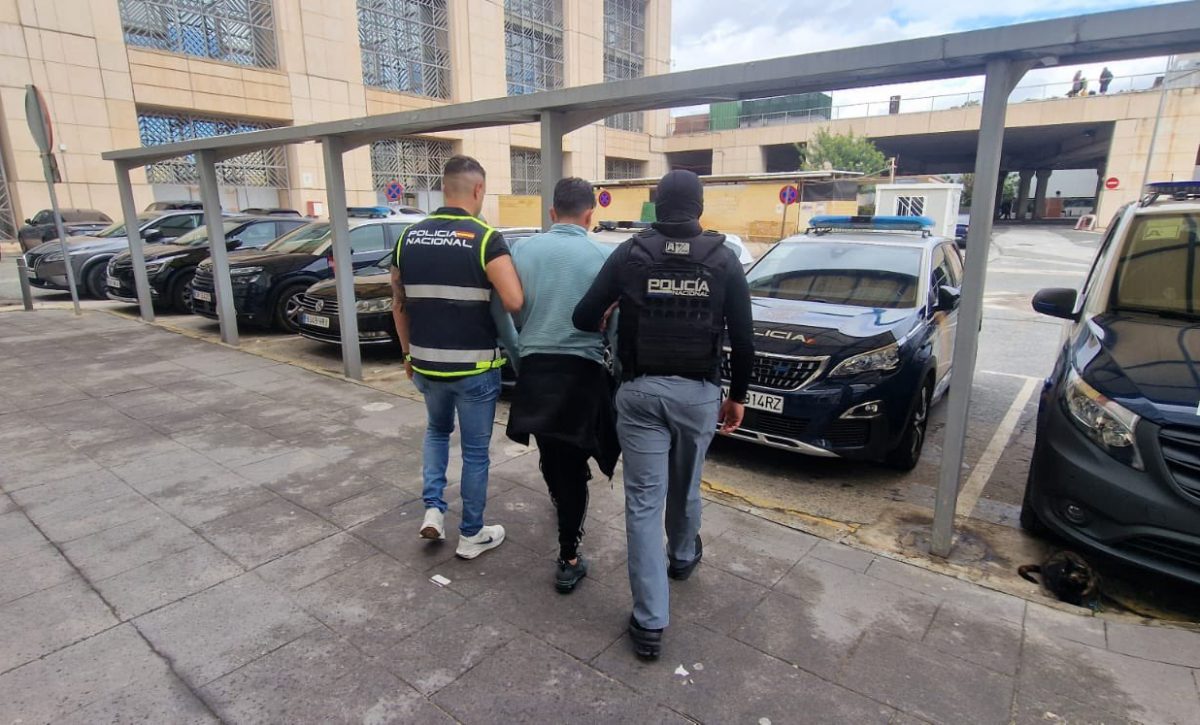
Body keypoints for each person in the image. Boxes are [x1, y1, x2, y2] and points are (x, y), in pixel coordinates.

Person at [573, 170, 754, 660]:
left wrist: (614, 307)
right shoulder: (724, 258)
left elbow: (583, 317)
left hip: (639, 393)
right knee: (687, 482)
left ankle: (650, 622)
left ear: (655, 206)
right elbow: (744, 335)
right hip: (698, 395)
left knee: (643, 502)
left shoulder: (631, 252)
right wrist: (736, 396)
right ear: (698, 207)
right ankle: (682, 556)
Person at [390, 154, 523, 560]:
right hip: (475, 369)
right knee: (476, 453)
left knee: (435, 433)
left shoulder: (408, 237)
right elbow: (514, 300)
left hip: (426, 364)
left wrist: (407, 354)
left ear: (444, 188)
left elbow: (398, 301)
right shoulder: (485, 238)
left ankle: (433, 508)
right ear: (478, 190)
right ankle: (471, 533)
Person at [505, 177, 620, 594]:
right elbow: (616, 328)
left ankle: (564, 506)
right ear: (591, 215)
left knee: (554, 456)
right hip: (581, 375)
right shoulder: (603, 256)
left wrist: (520, 356)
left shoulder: (523, 249)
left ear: (552, 213)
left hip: (536, 369)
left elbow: (504, 310)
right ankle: (569, 557)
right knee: (571, 465)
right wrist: (617, 374)